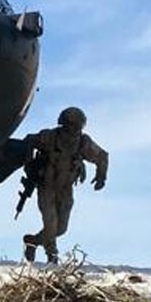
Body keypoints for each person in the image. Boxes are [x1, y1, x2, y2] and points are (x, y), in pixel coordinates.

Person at [22, 107, 109, 264]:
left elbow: (102, 156)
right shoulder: (49, 137)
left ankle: (33, 241)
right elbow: (28, 141)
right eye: (71, 125)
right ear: (63, 124)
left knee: (61, 228)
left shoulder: (83, 142)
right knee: (50, 222)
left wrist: (101, 176)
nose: (75, 130)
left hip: (65, 189)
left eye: (78, 126)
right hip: (47, 185)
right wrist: (30, 166)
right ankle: (52, 255)